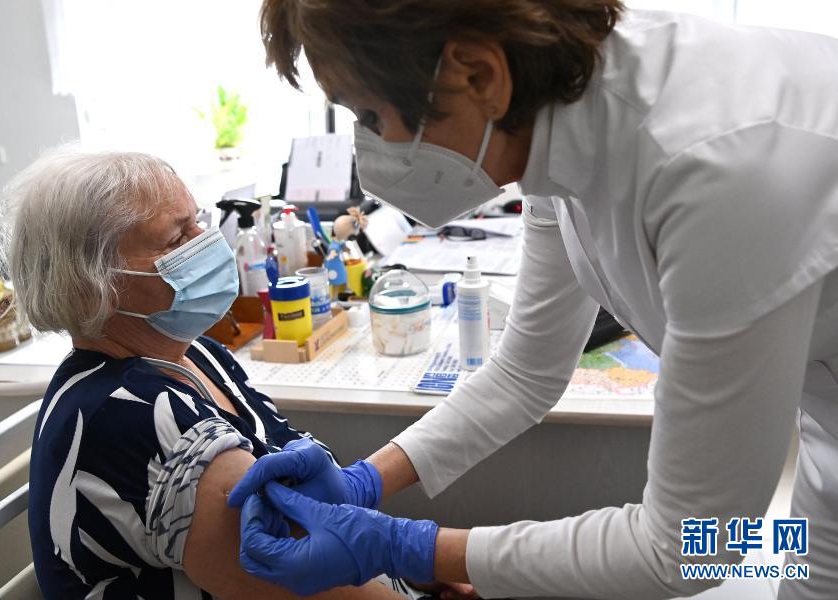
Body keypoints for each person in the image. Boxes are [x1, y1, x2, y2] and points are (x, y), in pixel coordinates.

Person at [229, 2, 838, 599]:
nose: (369, 150)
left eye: (368, 114)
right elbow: (526, 373)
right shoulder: (550, 122)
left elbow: (688, 547)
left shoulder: (721, 165)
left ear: (478, 75)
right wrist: (365, 480)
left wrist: (403, 546)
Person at [0, 148, 434, 600]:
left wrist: (408, 560)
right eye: (175, 238)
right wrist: (425, 557)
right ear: (92, 288)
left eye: (196, 221)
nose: (205, 242)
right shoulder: (136, 419)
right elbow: (315, 591)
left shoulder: (197, 354)